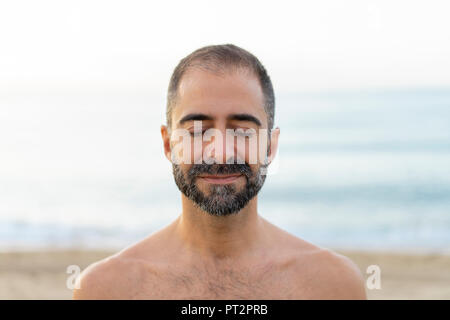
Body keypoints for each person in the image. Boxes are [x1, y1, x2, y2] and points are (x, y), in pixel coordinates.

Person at [73, 44, 367, 299]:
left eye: (242, 131)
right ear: (168, 143)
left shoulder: (334, 286)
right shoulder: (106, 289)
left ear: (270, 146)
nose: (221, 152)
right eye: (198, 131)